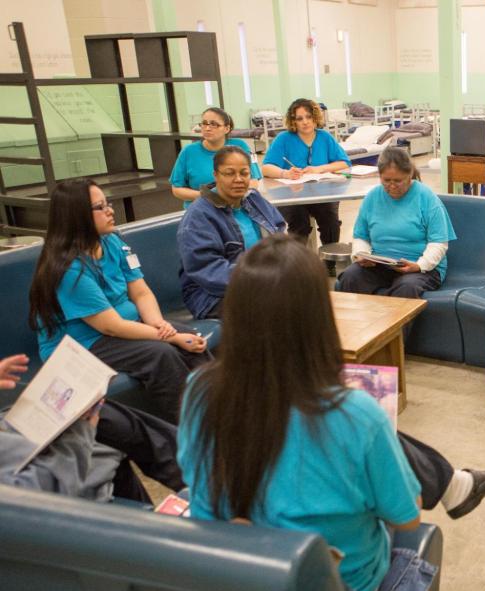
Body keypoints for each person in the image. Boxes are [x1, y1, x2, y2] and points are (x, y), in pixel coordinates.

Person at [177, 236, 485, 591]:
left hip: (239, 582)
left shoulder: (198, 390)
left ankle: (455, 484)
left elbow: (198, 483)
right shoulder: (353, 413)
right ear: (318, 316)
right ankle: (453, 485)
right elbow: (405, 517)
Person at [27, 180, 209, 424]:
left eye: (107, 204)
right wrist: (170, 336)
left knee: (191, 337)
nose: (110, 211)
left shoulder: (112, 241)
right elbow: (109, 326)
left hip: (122, 327)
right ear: (77, 215)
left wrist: (160, 325)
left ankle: (219, 410)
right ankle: (195, 431)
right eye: (100, 207)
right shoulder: (68, 268)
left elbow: (141, 293)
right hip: (83, 343)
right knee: (160, 353)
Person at [0, 353, 184, 502]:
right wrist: (80, 433)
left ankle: (197, 475)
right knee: (103, 444)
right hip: (48, 484)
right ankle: (200, 480)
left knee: (105, 417)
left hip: (13, 438)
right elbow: (38, 494)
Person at [178, 146, 288, 319]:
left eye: (244, 173)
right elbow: (208, 270)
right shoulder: (198, 216)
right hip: (213, 295)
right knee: (276, 308)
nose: (238, 179)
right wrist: (260, 278)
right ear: (216, 175)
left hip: (263, 281)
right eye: (229, 173)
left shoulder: (253, 199)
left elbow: (280, 232)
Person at [335, 146, 456, 300]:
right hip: (380, 265)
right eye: (386, 180)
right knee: (350, 276)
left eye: (398, 181)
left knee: (407, 287)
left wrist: (420, 265)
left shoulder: (427, 198)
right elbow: (361, 236)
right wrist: (361, 254)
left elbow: (439, 243)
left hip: (420, 268)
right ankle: (365, 324)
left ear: (410, 175)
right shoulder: (372, 197)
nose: (392, 186)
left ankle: (396, 325)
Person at [261, 98, 351, 249]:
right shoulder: (283, 139)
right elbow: (266, 168)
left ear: (315, 117)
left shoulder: (325, 137)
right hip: (291, 195)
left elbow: (344, 163)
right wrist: (285, 173)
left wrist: (319, 169)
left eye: (308, 117)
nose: (305, 122)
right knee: (299, 222)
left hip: (322, 194)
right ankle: (298, 263)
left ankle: (330, 261)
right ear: (293, 121)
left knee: (330, 221)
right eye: (299, 118)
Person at [170, 107, 261, 206]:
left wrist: (231, 197)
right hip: (201, 211)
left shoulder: (241, 147)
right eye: (204, 123)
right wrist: (207, 196)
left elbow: (253, 182)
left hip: (235, 208)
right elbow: (177, 189)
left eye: (214, 124)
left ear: (227, 128)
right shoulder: (188, 152)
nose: (207, 128)